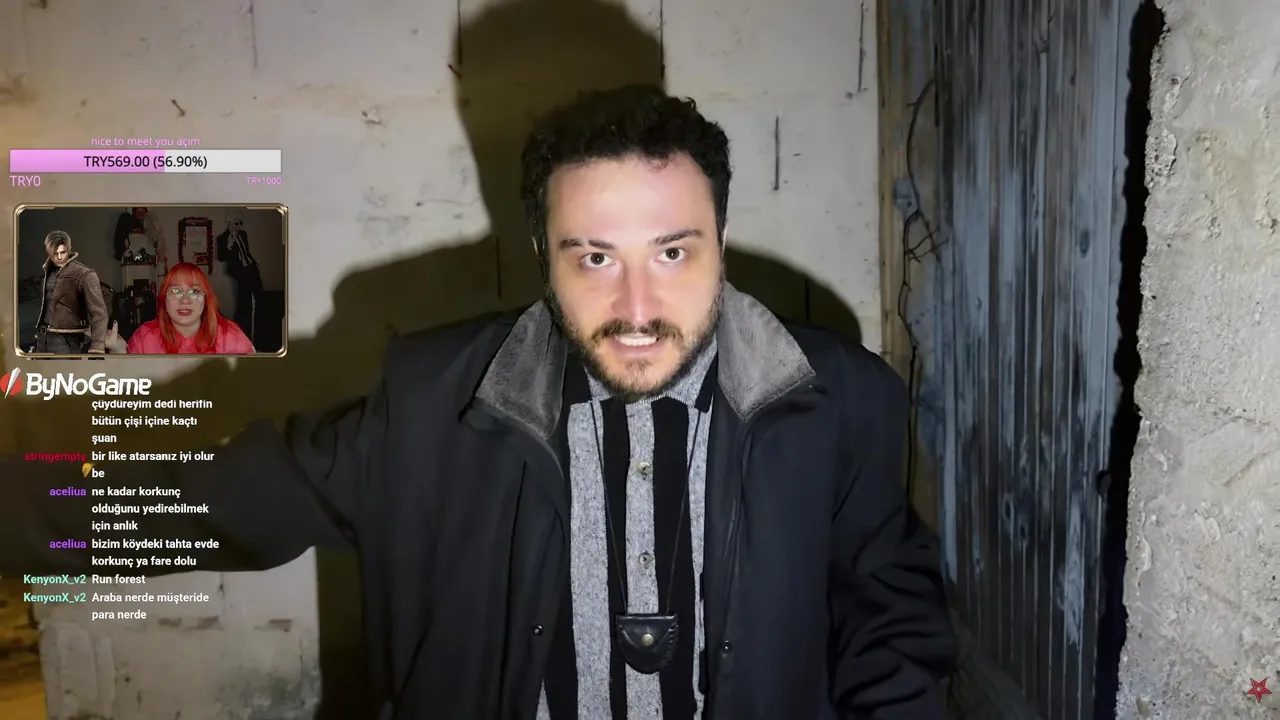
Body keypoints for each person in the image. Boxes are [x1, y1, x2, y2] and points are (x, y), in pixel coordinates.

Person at [2, 86, 955, 718]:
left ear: (722, 237)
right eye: (594, 257)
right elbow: (201, 500)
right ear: (543, 254)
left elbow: (891, 617)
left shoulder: (837, 402)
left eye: (672, 251)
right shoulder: (433, 408)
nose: (637, 306)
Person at [105, 262, 254, 354]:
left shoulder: (230, 335)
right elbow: (131, 385)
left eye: (194, 291)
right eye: (176, 291)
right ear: (164, 300)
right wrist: (119, 352)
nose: (185, 300)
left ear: (206, 300)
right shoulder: (145, 337)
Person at [31, 230, 109, 354]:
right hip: (43, 337)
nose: (59, 257)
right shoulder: (48, 271)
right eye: (55, 253)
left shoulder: (84, 274)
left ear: (69, 249)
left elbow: (99, 313)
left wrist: (97, 347)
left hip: (66, 340)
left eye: (63, 252)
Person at [215, 210, 263, 344]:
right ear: (229, 223)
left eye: (241, 223)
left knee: (261, 299)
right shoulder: (222, 238)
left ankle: (260, 334)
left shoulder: (243, 234)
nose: (240, 225)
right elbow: (221, 257)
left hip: (251, 268)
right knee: (244, 303)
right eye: (236, 223)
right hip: (239, 273)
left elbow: (245, 251)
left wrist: (253, 265)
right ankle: (245, 336)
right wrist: (229, 247)